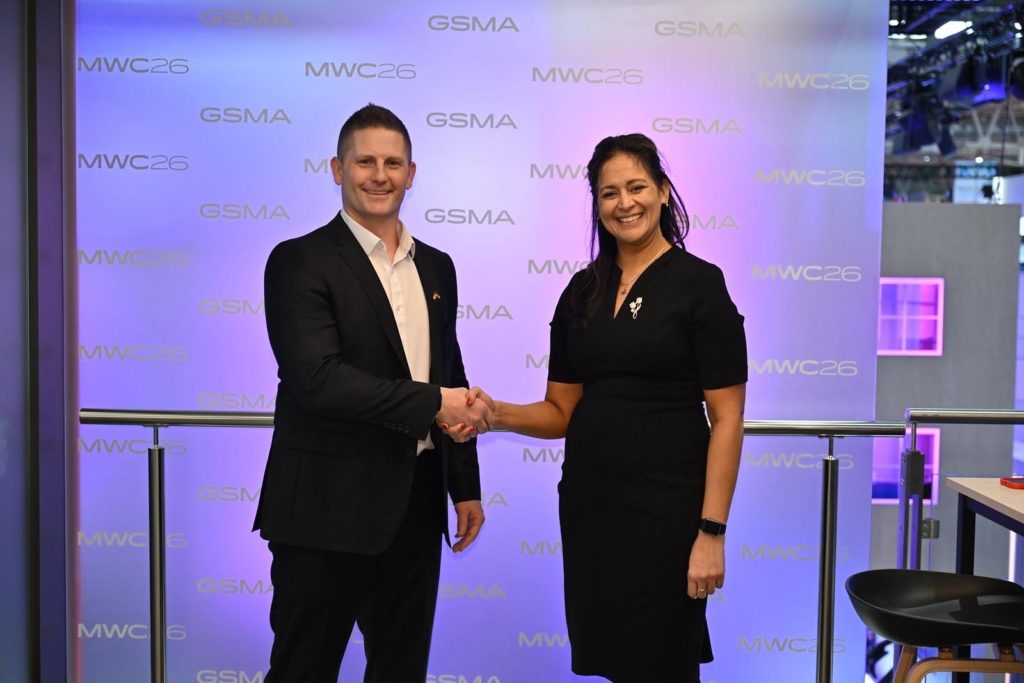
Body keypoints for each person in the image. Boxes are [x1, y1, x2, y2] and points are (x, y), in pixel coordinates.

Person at [454, 133, 747, 682]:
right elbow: (560, 411)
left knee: (665, 663)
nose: (624, 203)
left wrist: (711, 532)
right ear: (597, 205)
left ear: (663, 192)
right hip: (592, 510)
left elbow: (727, 419)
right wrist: (496, 412)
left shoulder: (701, 286)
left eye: (637, 187)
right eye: (609, 193)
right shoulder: (581, 290)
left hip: (669, 514)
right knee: (613, 661)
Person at [253, 103, 492, 683]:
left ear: (412, 173)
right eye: (365, 161)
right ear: (337, 169)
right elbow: (318, 380)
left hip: (414, 504)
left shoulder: (438, 267)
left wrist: (463, 485)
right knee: (303, 670)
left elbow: (449, 373)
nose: (379, 174)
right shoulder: (298, 260)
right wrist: (434, 403)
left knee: (401, 671)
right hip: (323, 510)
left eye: (393, 162)